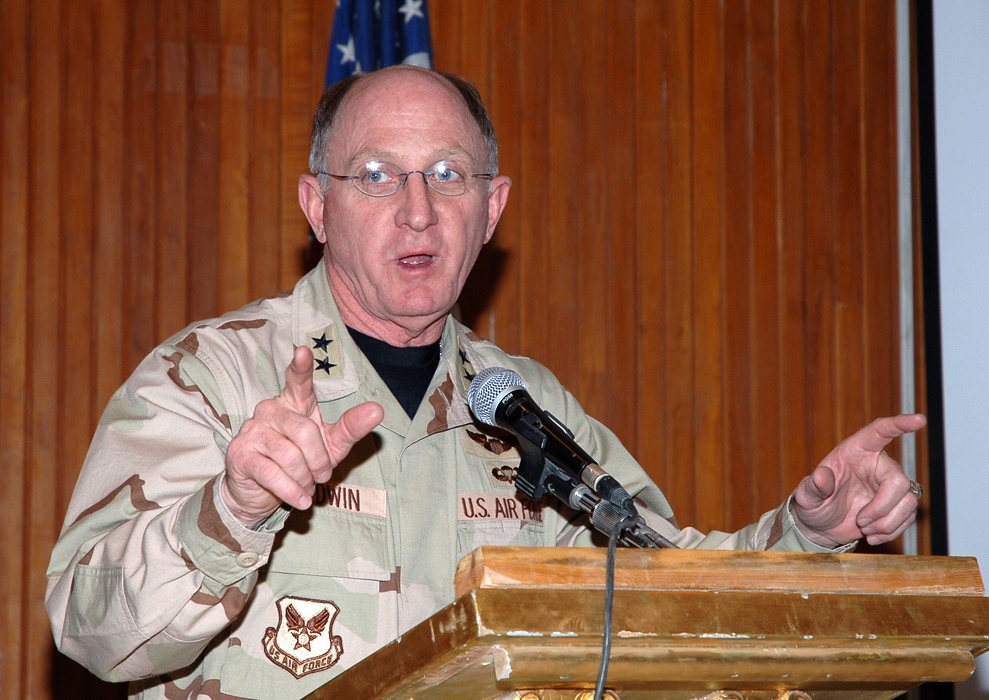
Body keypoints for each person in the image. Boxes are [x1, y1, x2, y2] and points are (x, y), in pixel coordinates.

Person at [46, 65, 926, 699]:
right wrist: (230, 510)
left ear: (491, 207)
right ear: (317, 206)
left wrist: (806, 535)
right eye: (379, 176)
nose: (419, 209)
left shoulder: (523, 405)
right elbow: (90, 632)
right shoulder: (212, 375)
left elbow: (667, 586)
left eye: (448, 176)